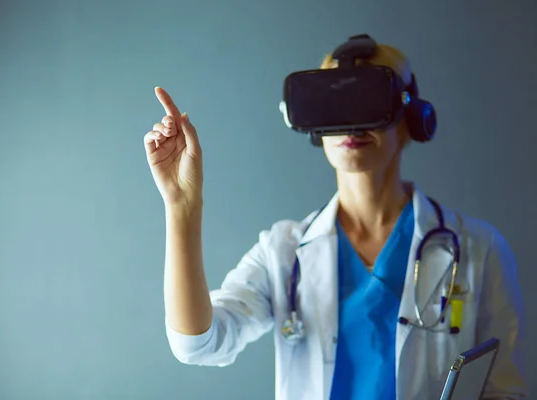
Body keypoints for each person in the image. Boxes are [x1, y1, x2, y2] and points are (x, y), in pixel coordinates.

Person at [143, 37, 528, 400]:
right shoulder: (283, 251)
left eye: (369, 101)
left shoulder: (480, 248)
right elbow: (197, 343)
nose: (351, 125)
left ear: (413, 118)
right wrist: (182, 206)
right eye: (335, 105)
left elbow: (507, 389)